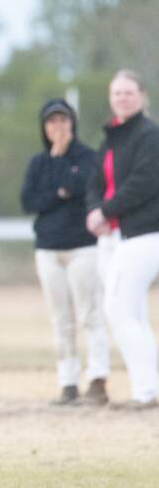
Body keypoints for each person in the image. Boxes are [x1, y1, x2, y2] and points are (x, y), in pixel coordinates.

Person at [20, 99, 109, 406]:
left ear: (72, 123)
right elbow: (29, 201)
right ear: (44, 128)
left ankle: (97, 378)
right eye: (51, 122)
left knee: (89, 314)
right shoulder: (38, 162)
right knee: (61, 319)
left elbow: (82, 185)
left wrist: (59, 188)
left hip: (82, 248)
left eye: (62, 120)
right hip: (48, 249)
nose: (57, 127)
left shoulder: (88, 157)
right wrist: (59, 189)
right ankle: (67, 381)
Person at [86, 71, 159, 410]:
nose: (122, 98)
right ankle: (150, 388)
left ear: (142, 96)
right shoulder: (111, 138)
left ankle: (145, 391)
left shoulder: (149, 135)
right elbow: (96, 181)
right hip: (116, 234)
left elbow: (145, 182)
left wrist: (107, 210)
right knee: (134, 314)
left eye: (129, 92)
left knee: (116, 308)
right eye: (117, 93)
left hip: (144, 234)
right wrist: (95, 211)